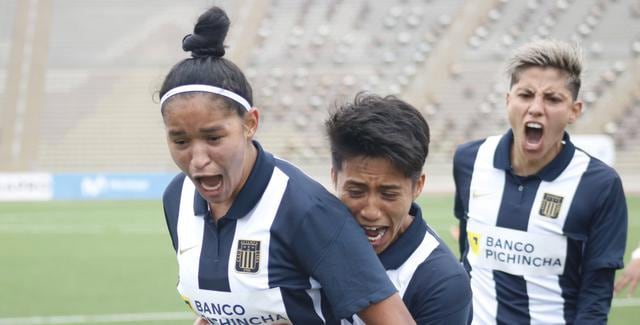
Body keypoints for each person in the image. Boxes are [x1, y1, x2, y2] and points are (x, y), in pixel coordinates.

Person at [159, 6, 415, 325]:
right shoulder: (176, 199)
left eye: (213, 138)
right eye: (180, 142)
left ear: (250, 123)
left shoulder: (305, 209)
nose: (197, 160)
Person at [453, 39, 628, 324]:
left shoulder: (600, 185)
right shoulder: (469, 160)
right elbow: (466, 259)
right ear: (508, 100)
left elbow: (595, 299)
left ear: (574, 110)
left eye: (553, 99)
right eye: (525, 94)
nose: (536, 108)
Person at [326, 93, 472, 324]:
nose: (371, 211)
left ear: (418, 186)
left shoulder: (442, 282)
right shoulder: (313, 236)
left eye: (388, 194)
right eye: (356, 191)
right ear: (334, 177)